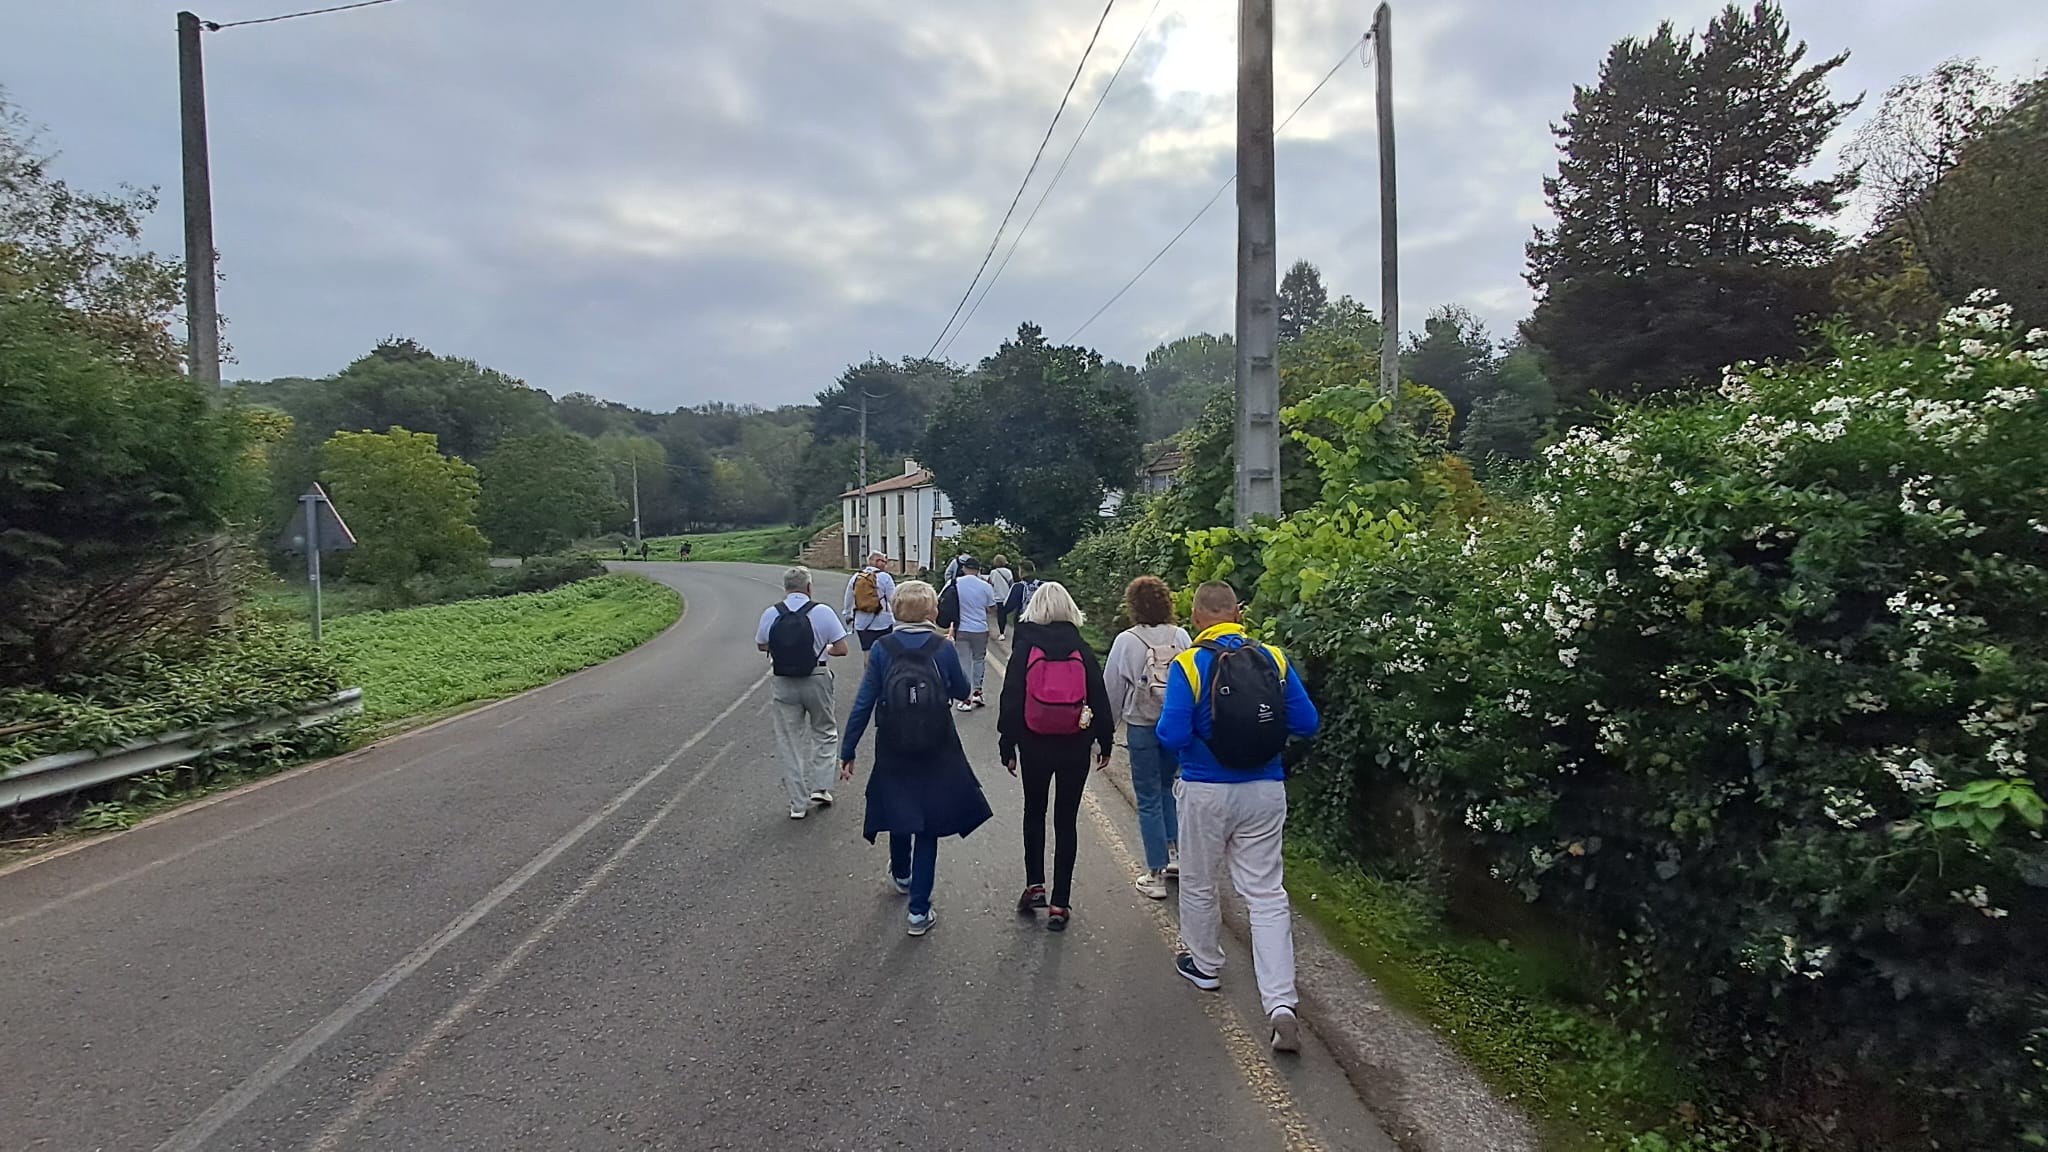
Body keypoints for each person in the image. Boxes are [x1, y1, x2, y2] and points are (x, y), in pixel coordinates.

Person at [1157, 581, 1320, 1053]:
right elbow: (1307, 723)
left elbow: (1170, 734)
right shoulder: (1275, 659)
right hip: (1265, 790)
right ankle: (1281, 1002)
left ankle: (1205, 966)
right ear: (1238, 614)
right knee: (1266, 894)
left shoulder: (1190, 663)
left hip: (1205, 790)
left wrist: (1202, 744)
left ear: (1196, 617)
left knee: (1199, 881)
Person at [838, 580, 992, 936]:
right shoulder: (942, 647)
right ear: (930, 611)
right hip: (937, 746)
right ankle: (918, 912)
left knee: (899, 808)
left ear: (896, 610)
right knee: (929, 826)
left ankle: (901, 874)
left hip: (893, 745)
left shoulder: (882, 648)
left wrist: (848, 750)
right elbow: (962, 691)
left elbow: (864, 701)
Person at [997, 581, 1113, 932]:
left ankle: (1035, 885)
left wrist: (1007, 745)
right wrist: (1105, 740)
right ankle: (1060, 903)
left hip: (1034, 743)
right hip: (1074, 744)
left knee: (1034, 812)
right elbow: (1099, 696)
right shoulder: (1081, 648)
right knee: (1066, 821)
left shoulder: (1025, 647)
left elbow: (1011, 698)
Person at [1102, 575, 1192, 900]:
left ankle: (1155, 873)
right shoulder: (1181, 636)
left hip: (1141, 725)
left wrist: (1105, 733)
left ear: (1133, 606)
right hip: (1173, 725)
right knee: (1169, 787)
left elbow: (1112, 690)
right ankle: (1176, 854)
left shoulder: (1126, 641)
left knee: (1149, 797)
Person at [755, 566, 850, 820]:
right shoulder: (822, 612)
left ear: (786, 588)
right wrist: (825, 648)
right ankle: (821, 787)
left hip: (783, 680)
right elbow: (842, 649)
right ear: (809, 587)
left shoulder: (772, 613)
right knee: (824, 730)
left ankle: (797, 804)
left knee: (789, 740)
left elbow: (762, 644)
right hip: (816, 677)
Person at [946, 557, 1000, 711]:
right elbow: (992, 608)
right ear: (978, 570)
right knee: (979, 659)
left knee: (964, 662)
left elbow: (942, 600)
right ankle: (977, 692)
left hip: (962, 628)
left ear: (963, 568)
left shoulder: (954, 583)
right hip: (980, 629)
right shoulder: (985, 586)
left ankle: (966, 698)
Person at [843, 552, 897, 651]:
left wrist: (848, 615)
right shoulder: (885, 577)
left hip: (862, 623)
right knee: (885, 651)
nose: (885, 565)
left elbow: (848, 598)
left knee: (867, 651)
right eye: (884, 562)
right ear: (876, 562)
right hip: (883, 622)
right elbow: (893, 599)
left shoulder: (856, 577)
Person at [1003, 560, 1041, 627]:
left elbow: (1008, 605)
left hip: (1023, 620)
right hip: (1040, 620)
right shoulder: (1042, 585)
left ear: (1022, 571)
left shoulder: (1018, 586)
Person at [987, 555, 1016, 640]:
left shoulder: (993, 573)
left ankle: (1001, 632)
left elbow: (990, 584)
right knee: (1005, 614)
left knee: (1000, 615)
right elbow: (1011, 584)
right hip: (1007, 597)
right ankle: (1006, 630)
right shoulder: (1008, 572)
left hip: (997, 597)